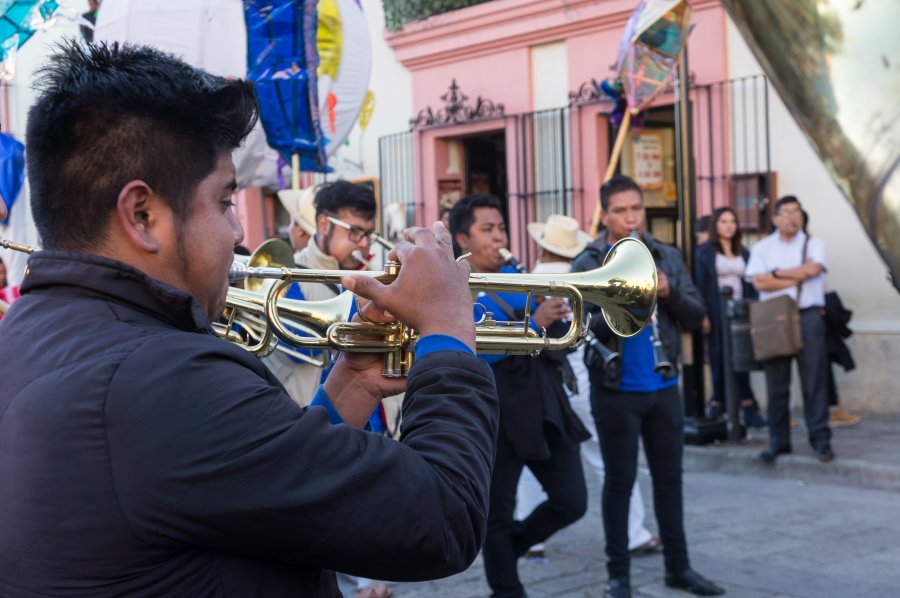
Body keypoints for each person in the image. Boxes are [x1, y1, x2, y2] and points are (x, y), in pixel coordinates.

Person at [0, 41, 499, 596]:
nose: (239, 234)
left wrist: (352, 383)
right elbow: (443, 517)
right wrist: (449, 329)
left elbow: (245, 485)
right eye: (223, 201)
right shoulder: (158, 378)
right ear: (142, 215)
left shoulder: (26, 332)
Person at [572, 175, 724, 598]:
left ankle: (679, 568)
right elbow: (581, 329)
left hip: (662, 385)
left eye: (636, 208)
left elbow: (695, 316)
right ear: (605, 214)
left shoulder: (667, 256)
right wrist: (626, 296)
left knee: (669, 480)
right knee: (619, 482)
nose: (631, 217)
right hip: (615, 388)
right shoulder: (587, 263)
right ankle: (618, 577)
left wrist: (669, 292)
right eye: (620, 210)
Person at [449, 195, 588, 598]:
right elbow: (467, 348)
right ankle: (506, 588)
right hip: (495, 408)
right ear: (463, 239)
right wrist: (533, 323)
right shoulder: (458, 288)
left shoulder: (519, 274)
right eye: (487, 230)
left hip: (542, 402)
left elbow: (549, 341)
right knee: (497, 511)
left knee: (573, 500)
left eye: (501, 228)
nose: (498, 237)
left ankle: (508, 549)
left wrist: (554, 322)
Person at [514, 214, 661, 563]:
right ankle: (634, 532)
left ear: (540, 244)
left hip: (541, 383)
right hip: (578, 378)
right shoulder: (581, 275)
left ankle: (531, 535)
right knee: (607, 456)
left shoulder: (524, 276)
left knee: (533, 455)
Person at [264, 180, 377, 408]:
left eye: (368, 234)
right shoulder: (288, 272)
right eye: (355, 232)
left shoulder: (366, 276)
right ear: (324, 225)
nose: (363, 243)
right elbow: (297, 344)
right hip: (305, 410)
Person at [746, 195, 833, 463]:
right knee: (777, 384)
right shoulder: (763, 247)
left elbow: (813, 269)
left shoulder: (813, 243)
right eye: (785, 212)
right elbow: (758, 283)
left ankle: (820, 440)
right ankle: (779, 441)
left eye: (796, 212)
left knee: (814, 381)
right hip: (774, 317)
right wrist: (795, 273)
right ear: (774, 218)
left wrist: (776, 274)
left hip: (807, 316)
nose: (791, 218)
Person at [694, 207, 765, 427]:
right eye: (724, 221)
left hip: (741, 313)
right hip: (716, 313)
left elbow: (752, 282)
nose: (729, 225)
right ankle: (731, 403)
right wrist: (703, 314)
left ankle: (734, 404)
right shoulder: (705, 252)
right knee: (719, 358)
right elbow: (699, 285)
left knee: (741, 358)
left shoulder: (744, 252)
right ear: (716, 225)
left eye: (732, 221)